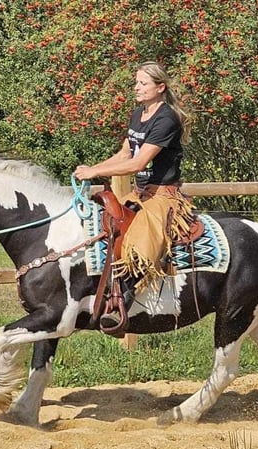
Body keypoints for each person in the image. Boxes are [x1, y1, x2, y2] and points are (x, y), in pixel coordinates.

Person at [74, 61, 194, 329]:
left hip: (163, 196)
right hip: (140, 194)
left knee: (139, 246)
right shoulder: (138, 114)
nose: (136, 88)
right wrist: (93, 168)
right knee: (106, 230)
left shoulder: (166, 119)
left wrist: (94, 171)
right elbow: (124, 154)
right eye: (136, 82)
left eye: (143, 83)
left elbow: (138, 163)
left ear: (160, 87)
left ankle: (124, 304)